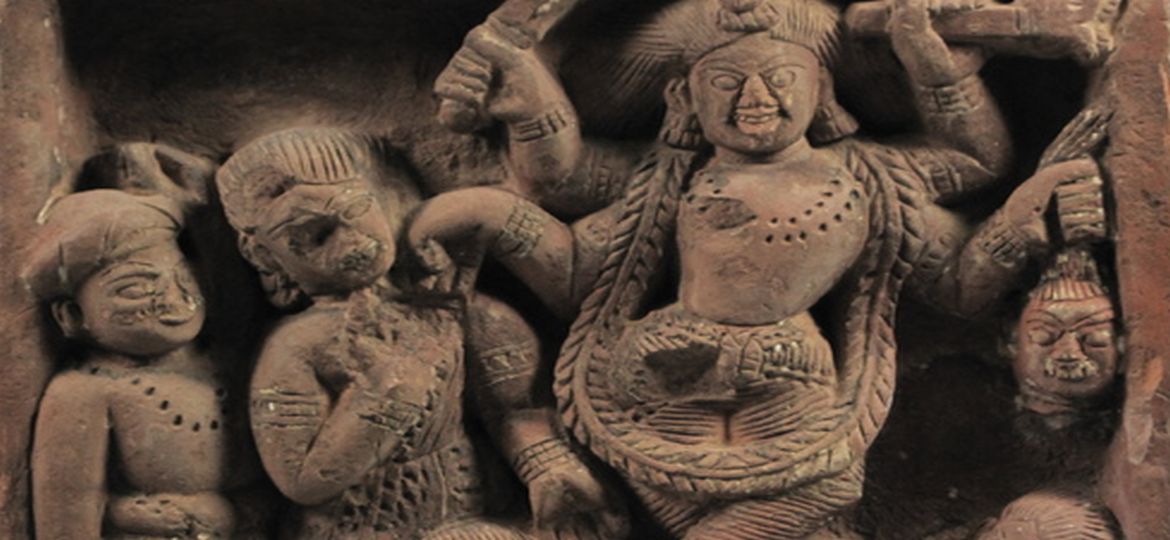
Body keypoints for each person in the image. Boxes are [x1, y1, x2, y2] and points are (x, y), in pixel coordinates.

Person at [216, 127, 625, 539]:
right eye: (314, 237)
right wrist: (384, 399)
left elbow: (514, 410)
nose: (350, 240)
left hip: (470, 513)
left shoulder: (454, 311)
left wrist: (546, 466)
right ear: (266, 257)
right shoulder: (298, 345)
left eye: (356, 209)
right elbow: (301, 480)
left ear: (386, 194)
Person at [25, 189, 263, 539]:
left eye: (183, 278)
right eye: (135, 289)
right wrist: (127, 517)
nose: (172, 298)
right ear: (72, 316)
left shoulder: (229, 366)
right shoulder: (83, 391)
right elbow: (66, 522)